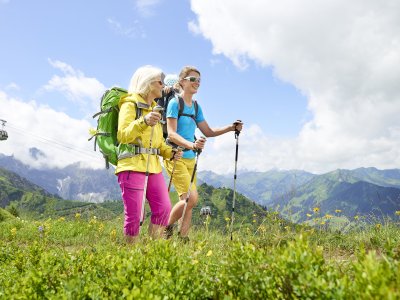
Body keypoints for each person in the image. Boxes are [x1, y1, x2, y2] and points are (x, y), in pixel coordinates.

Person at [164, 66, 243, 241]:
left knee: (188, 202)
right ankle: (166, 228)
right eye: (193, 79)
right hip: (176, 157)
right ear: (182, 81)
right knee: (192, 199)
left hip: (191, 159)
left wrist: (230, 128)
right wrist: (192, 145)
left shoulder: (196, 107)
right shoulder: (174, 103)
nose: (197, 83)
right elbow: (171, 133)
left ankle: (183, 239)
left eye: (199, 80)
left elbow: (208, 131)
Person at [115, 65, 183, 243]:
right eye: (159, 82)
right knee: (135, 215)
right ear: (147, 83)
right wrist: (143, 121)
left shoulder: (156, 109)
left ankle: (152, 253)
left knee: (164, 209)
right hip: (131, 166)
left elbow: (159, 144)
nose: (163, 85)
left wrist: (171, 152)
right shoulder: (130, 104)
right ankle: (131, 257)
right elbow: (123, 134)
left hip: (153, 167)